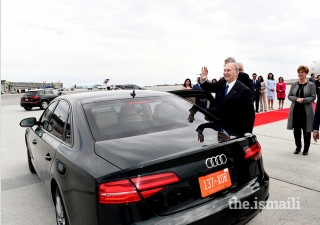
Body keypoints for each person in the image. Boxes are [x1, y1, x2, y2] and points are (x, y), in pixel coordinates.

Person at [196, 62, 255, 135]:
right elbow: (209, 87)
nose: (225, 73)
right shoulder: (221, 83)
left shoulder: (244, 90)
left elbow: (250, 115)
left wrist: (247, 134)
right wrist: (203, 79)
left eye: (228, 70)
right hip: (218, 128)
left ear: (236, 73)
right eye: (224, 70)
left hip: (234, 132)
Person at [287, 65, 316, 155]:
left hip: (306, 111)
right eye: (299, 72)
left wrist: (303, 99)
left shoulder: (311, 85)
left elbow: (313, 97)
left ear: (306, 73)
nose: (300, 74)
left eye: (302, 72)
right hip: (295, 110)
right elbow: (289, 96)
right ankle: (298, 147)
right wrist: (296, 99)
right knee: (296, 130)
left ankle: (306, 149)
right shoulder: (294, 84)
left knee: (307, 130)